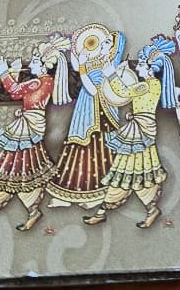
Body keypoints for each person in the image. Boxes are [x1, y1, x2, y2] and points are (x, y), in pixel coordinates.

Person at [0, 44, 59, 232]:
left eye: (35, 61)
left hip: (28, 128)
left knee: (12, 167)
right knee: (24, 166)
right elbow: (28, 97)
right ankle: (29, 211)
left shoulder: (37, 82)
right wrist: (11, 75)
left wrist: (4, 73)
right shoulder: (46, 81)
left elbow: (15, 92)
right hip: (31, 124)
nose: (31, 64)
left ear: (44, 65)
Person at [84, 37, 178, 229]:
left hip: (140, 132)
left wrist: (111, 74)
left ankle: (140, 210)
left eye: (141, 64)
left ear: (150, 69)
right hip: (139, 129)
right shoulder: (151, 85)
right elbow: (138, 102)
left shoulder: (147, 85)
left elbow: (125, 92)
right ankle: (107, 211)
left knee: (131, 169)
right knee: (132, 168)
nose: (138, 67)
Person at [46, 25, 125, 207]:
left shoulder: (109, 67)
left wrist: (82, 67)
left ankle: (95, 195)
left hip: (98, 112)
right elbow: (77, 65)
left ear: (113, 49)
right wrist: (76, 48)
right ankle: (68, 193)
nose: (102, 44)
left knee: (94, 149)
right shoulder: (96, 61)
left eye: (107, 42)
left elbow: (93, 89)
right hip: (84, 109)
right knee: (76, 145)